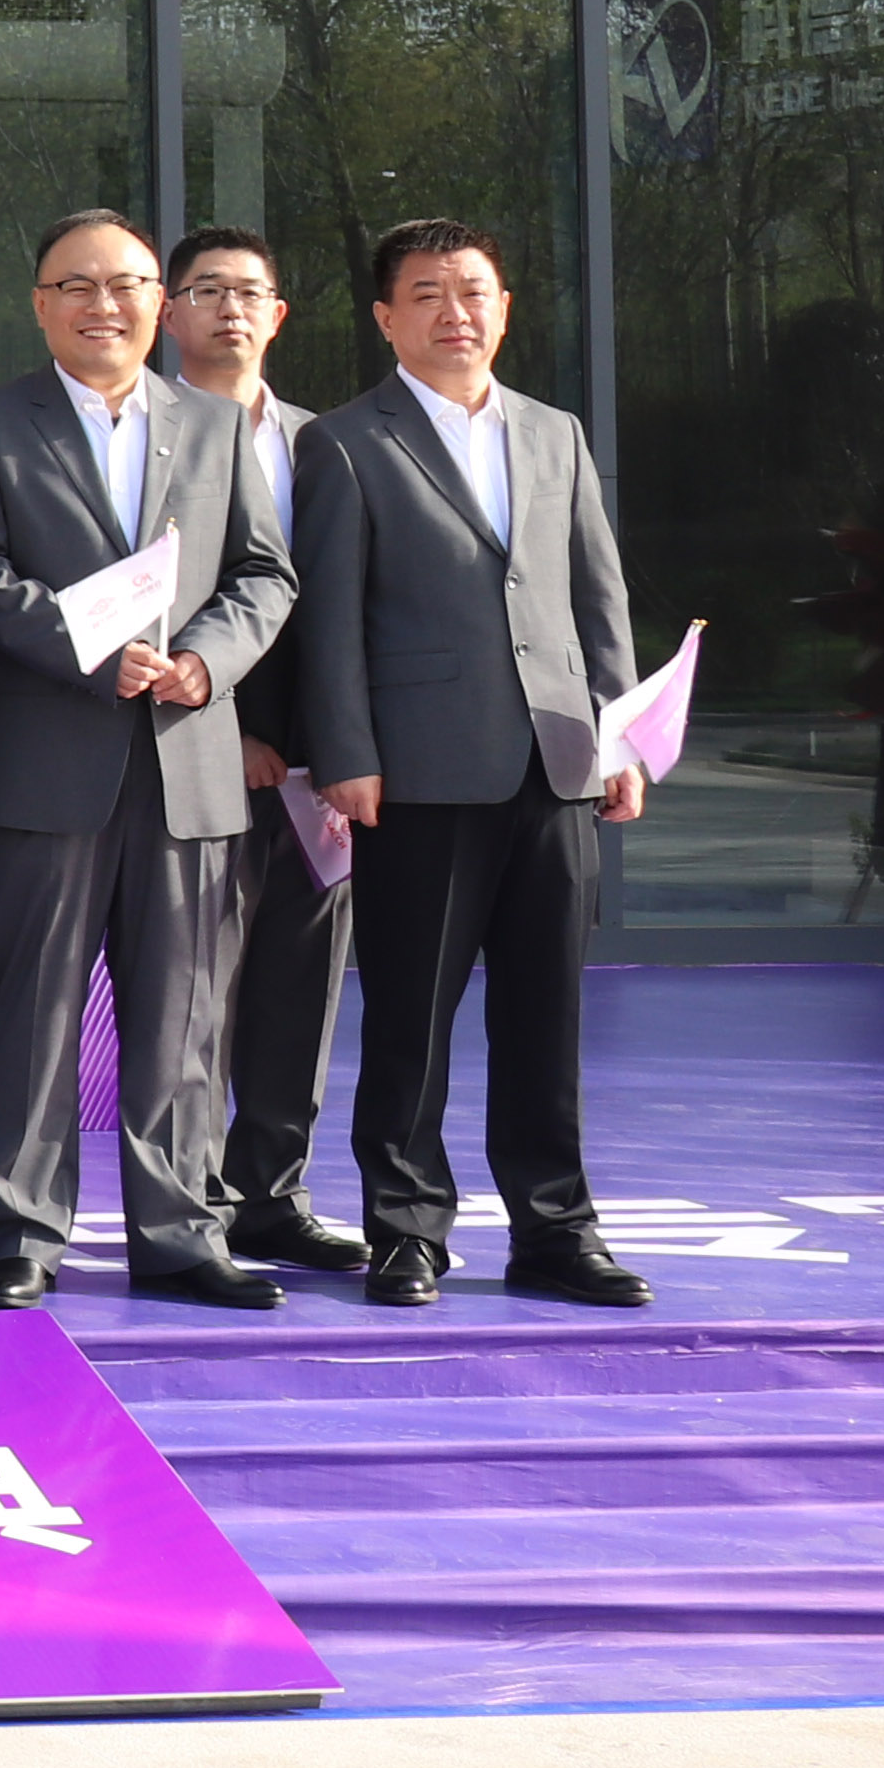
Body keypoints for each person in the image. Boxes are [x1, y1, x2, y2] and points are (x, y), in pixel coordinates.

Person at [0, 206, 298, 1313]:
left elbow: (264, 575)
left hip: (188, 764)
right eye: (76, 286)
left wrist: (205, 662)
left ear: (160, 304)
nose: (104, 305)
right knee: (32, 1014)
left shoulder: (216, 426)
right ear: (41, 306)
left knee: (184, 1019)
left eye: (127, 284)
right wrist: (90, 647)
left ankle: (182, 1231)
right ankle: (20, 1233)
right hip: (43, 764)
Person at [295, 219, 651, 1311]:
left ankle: (556, 1231)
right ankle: (407, 1230)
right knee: (412, 1018)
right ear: (385, 317)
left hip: (557, 762)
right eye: (428, 294)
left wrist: (622, 733)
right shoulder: (345, 442)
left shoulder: (554, 431)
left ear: (503, 307)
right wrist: (345, 753)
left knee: (547, 1017)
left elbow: (597, 593)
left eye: (474, 292)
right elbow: (329, 621)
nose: (456, 313)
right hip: (418, 774)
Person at [168, 222, 359, 1280]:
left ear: (278, 315)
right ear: (169, 312)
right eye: (207, 290)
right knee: (198, 989)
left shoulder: (330, 443)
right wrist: (229, 726)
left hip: (319, 773)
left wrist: (339, 751)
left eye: (249, 291)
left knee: (300, 982)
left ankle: (272, 1194)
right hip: (193, 749)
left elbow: (354, 608)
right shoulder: (145, 434)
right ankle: (192, 1196)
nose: (231, 308)